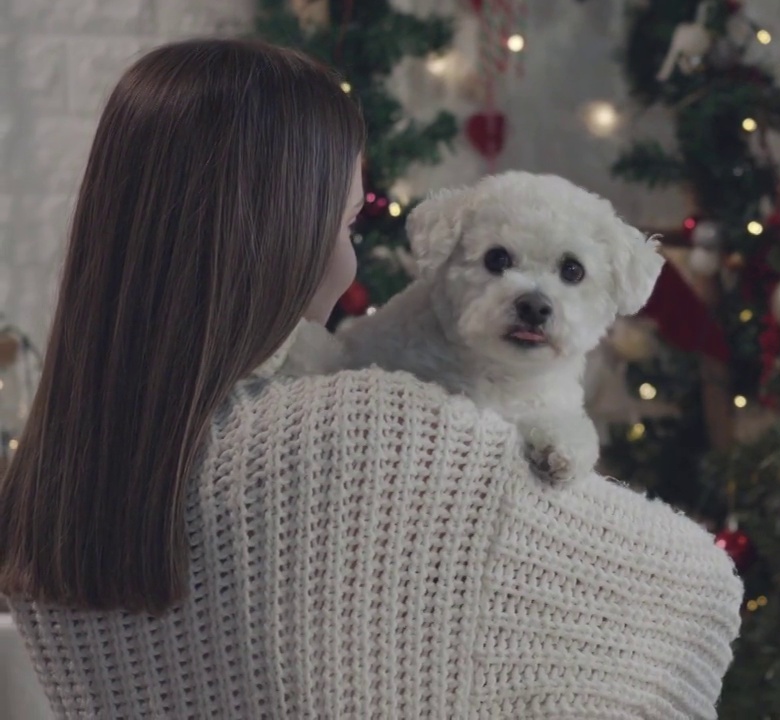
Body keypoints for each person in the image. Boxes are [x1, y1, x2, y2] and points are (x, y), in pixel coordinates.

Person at [0, 39, 742, 718]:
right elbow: (693, 593)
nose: (352, 262)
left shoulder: (46, 483)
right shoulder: (366, 431)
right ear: (279, 235)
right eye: (348, 226)